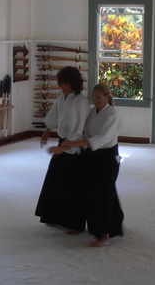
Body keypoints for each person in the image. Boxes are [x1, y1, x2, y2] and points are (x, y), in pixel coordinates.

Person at [50, 83, 124, 247]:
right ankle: (109, 223)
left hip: (107, 158)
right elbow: (84, 132)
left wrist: (75, 144)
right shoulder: (92, 112)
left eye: (99, 96)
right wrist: (66, 146)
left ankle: (104, 235)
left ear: (107, 96)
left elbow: (102, 138)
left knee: (103, 194)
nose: (96, 99)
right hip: (92, 156)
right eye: (94, 96)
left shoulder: (112, 115)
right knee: (92, 192)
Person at [34, 66, 90, 233]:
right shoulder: (61, 96)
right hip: (63, 141)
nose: (63, 87)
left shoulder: (81, 102)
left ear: (74, 84)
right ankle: (52, 216)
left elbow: (79, 129)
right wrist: (46, 130)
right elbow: (54, 114)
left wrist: (65, 148)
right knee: (55, 178)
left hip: (76, 145)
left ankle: (75, 223)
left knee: (72, 185)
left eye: (66, 84)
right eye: (61, 84)